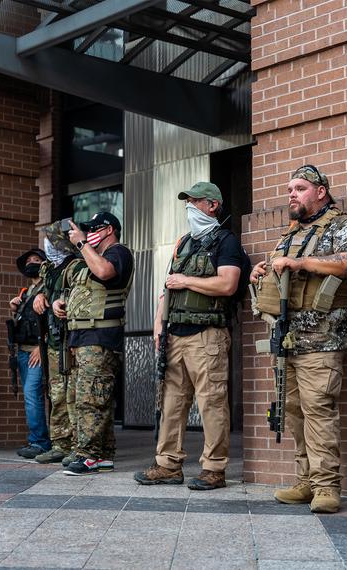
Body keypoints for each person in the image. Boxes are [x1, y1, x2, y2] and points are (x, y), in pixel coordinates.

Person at [250, 165, 347, 514]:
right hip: (287, 341)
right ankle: (305, 481)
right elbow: (280, 267)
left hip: (323, 339)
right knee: (294, 412)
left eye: (300, 188)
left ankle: (327, 487)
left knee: (319, 410)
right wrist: (264, 270)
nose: (292, 194)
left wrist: (302, 262)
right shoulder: (290, 234)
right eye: (289, 189)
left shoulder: (343, 226)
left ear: (320, 191)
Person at [134, 182, 250, 490]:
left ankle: (214, 469)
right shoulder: (183, 243)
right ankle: (167, 465)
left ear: (213, 205)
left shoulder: (226, 242)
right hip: (176, 336)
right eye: (187, 201)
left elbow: (227, 284)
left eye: (195, 201)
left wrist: (186, 280)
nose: (189, 207)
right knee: (171, 404)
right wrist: (159, 327)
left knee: (211, 403)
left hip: (207, 335)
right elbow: (167, 288)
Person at [53, 212, 134, 475]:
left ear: (109, 230)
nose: (88, 234)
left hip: (100, 338)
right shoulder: (90, 257)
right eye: (85, 231)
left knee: (91, 398)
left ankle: (87, 456)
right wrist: (60, 304)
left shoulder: (118, 253)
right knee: (88, 397)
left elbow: (104, 271)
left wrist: (80, 243)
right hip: (81, 337)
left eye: (93, 229)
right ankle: (102, 455)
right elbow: (81, 290)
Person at [32, 224, 79, 465]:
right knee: (56, 392)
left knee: (73, 393)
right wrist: (40, 297)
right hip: (53, 338)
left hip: (71, 338)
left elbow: (82, 293)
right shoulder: (49, 270)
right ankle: (60, 443)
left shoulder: (75, 266)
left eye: (51, 240)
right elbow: (42, 294)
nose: (47, 245)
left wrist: (63, 300)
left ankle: (77, 445)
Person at [10, 248, 52, 459]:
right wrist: (15, 309)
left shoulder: (49, 288)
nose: (31, 263)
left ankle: (40, 442)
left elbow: (54, 320)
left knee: (32, 395)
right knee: (31, 396)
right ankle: (38, 439)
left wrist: (41, 346)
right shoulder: (26, 292)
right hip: (23, 352)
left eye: (36, 260)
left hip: (38, 351)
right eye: (28, 261)